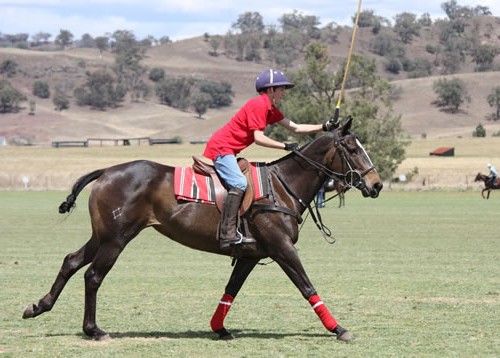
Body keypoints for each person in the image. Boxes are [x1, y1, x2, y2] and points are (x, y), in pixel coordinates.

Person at [203, 68, 337, 248]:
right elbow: (258, 138)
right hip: (221, 148)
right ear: (270, 89)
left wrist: (324, 126)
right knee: (239, 184)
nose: (283, 93)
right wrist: (284, 146)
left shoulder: (270, 109)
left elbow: (295, 127)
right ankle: (227, 234)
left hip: (229, 150)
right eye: (281, 89)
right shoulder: (259, 104)